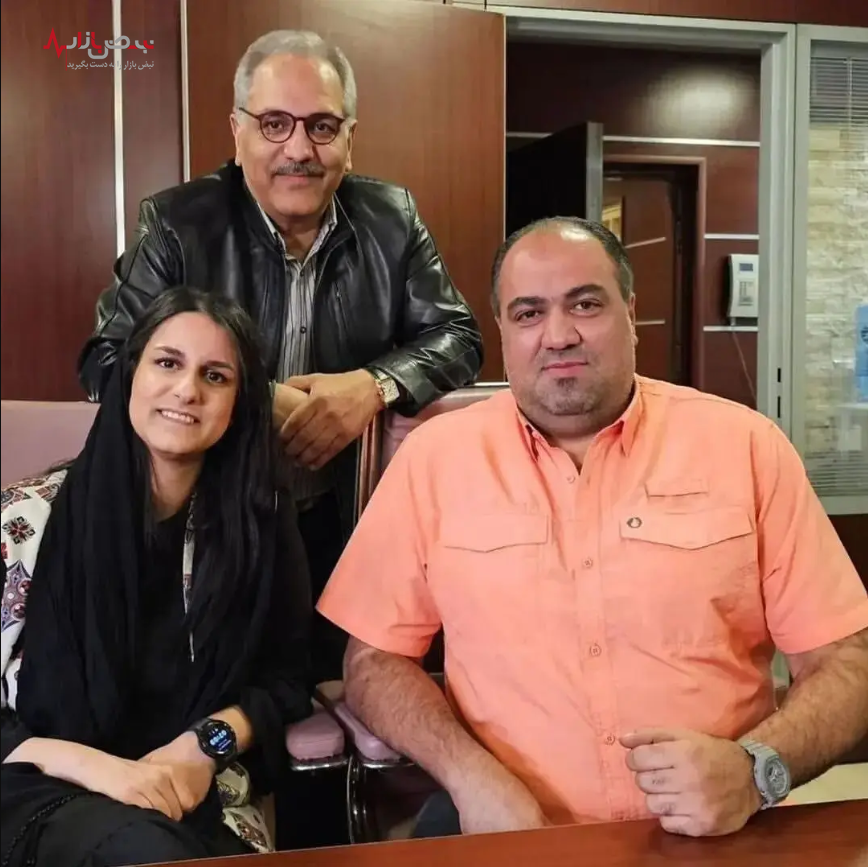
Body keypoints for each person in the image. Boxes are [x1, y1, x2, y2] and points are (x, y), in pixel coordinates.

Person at [316, 217, 868, 839]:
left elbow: (846, 662)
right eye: (528, 313)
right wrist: (468, 775)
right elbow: (374, 661)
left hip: (719, 832)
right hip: (511, 831)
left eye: (585, 304)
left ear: (630, 313)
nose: (558, 335)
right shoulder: (433, 460)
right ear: (503, 330)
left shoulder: (745, 446)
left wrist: (755, 769)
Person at [76, 29, 483, 682]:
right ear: (237, 133)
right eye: (274, 124)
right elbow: (107, 359)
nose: (298, 149)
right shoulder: (177, 224)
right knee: (222, 697)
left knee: (336, 691)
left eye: (322, 126)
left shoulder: (392, 219)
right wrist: (251, 398)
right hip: (208, 524)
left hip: (343, 521)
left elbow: (459, 336)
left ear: (349, 137)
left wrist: (373, 386)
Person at [1, 287, 312, 866]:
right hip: (37, 789)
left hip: (193, 794)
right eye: (167, 363)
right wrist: (101, 771)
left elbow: (287, 680)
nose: (188, 390)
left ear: (240, 401)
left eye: (215, 376)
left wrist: (203, 746)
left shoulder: (257, 525)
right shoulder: (23, 521)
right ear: (130, 376)